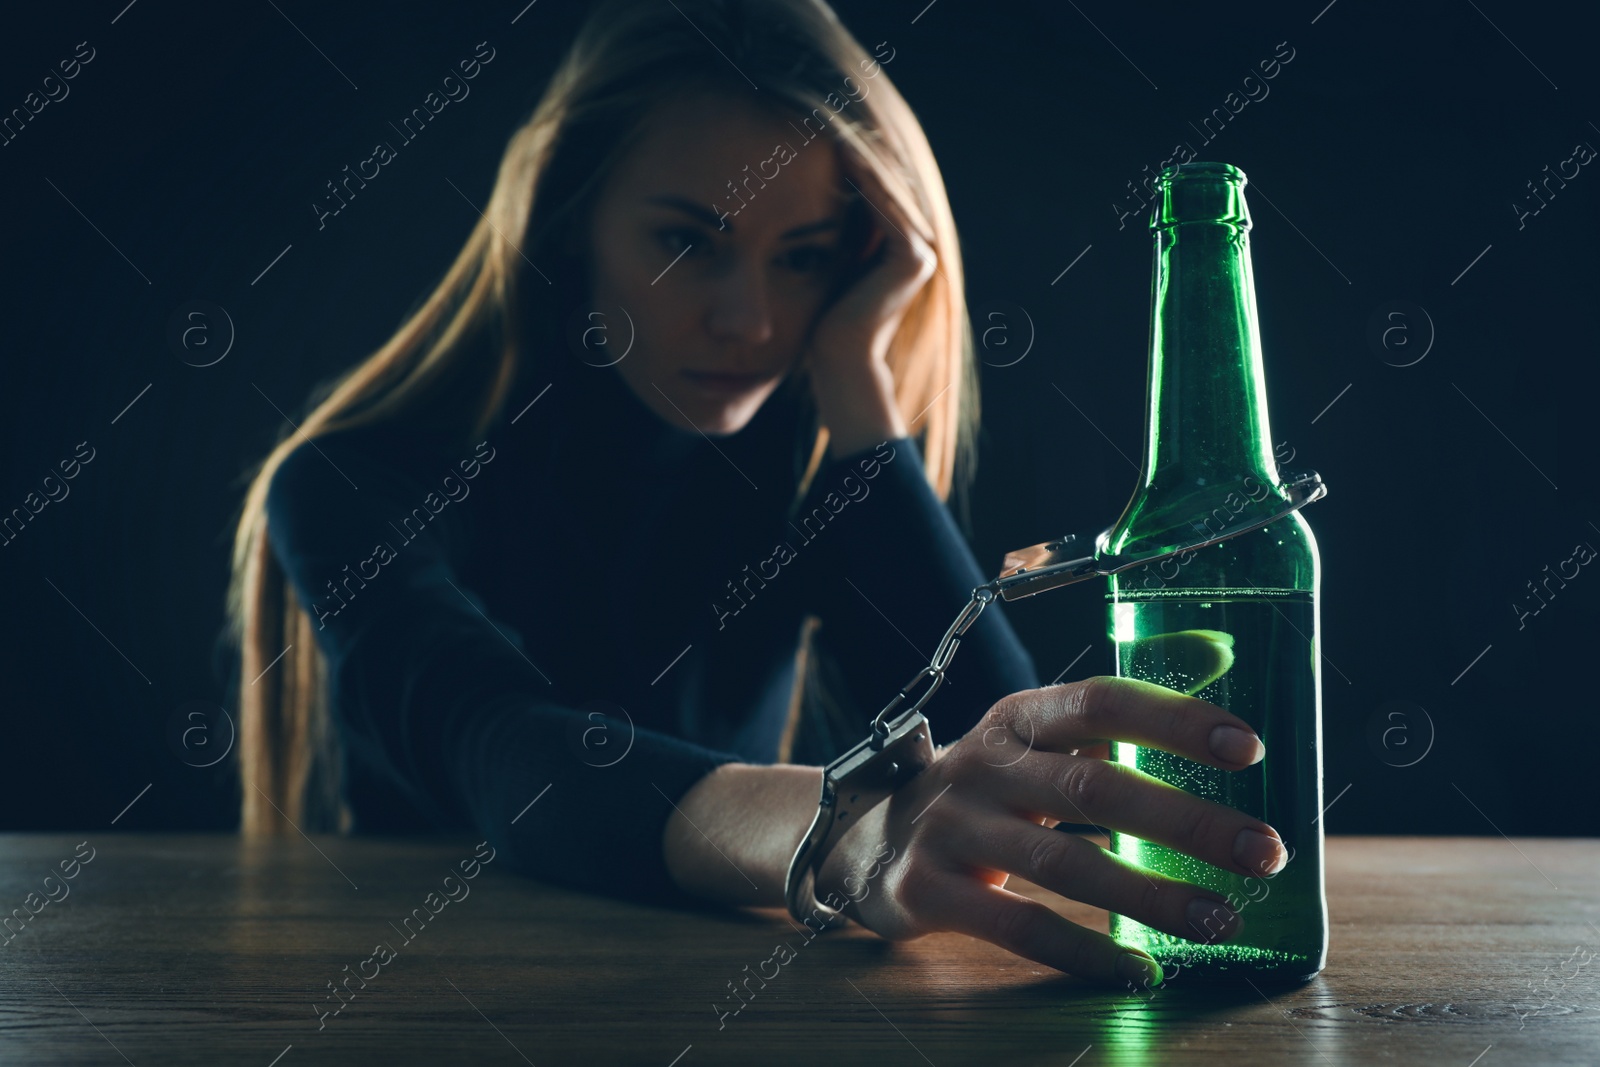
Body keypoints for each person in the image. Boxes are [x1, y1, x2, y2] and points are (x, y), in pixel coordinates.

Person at [226, 0, 1286, 990]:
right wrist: (838, 829)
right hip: (421, 1003)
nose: (750, 320)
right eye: (689, 242)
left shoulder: (796, 474)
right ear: (567, 218)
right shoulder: (348, 482)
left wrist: (866, 408)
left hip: (714, 999)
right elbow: (502, 747)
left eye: (805, 257)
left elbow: (1005, 772)